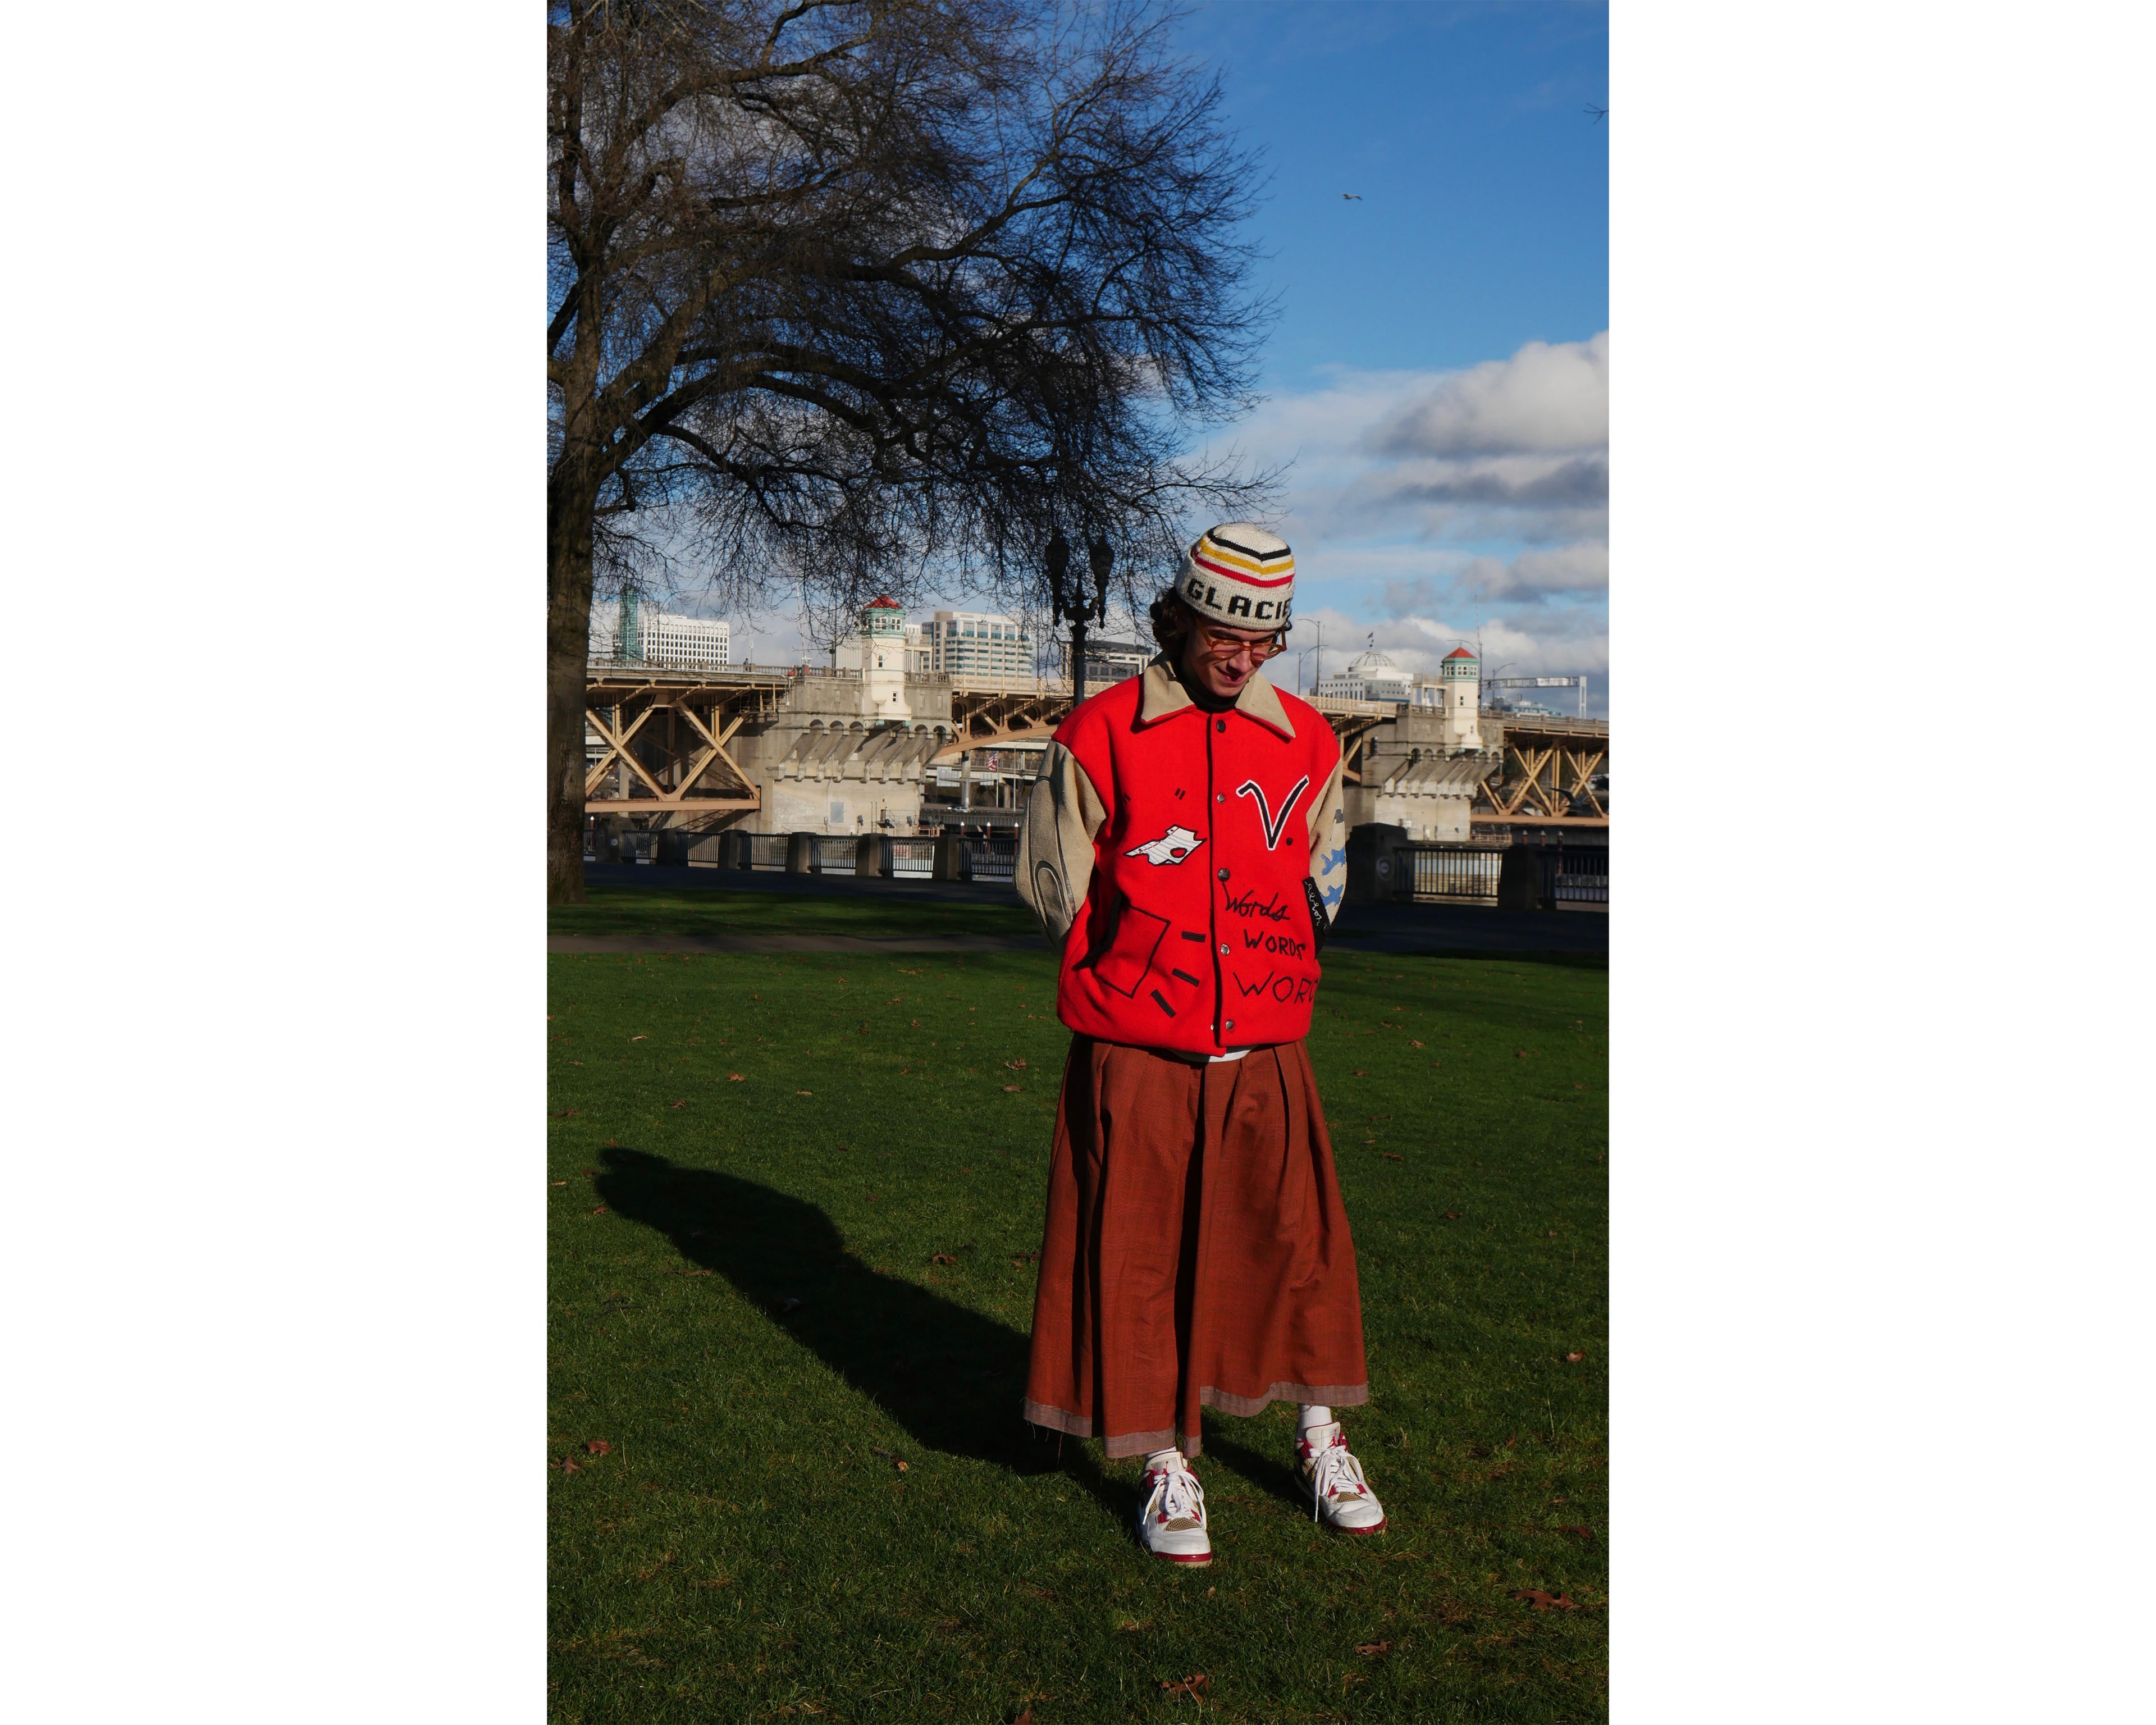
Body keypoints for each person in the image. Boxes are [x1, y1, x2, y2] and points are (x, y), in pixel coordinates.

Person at [1015, 522, 1384, 1566]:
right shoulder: (1103, 730)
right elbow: (1051, 879)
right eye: (1226, 633)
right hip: (1139, 1045)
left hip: (1265, 1040)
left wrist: (1284, 956)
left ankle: (1320, 1439)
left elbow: (1324, 867)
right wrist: (1135, 967)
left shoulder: (1305, 739)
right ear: (1179, 618)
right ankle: (1164, 1460)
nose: (1242, 657)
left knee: (1299, 1247)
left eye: (1264, 641)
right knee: (1137, 1256)